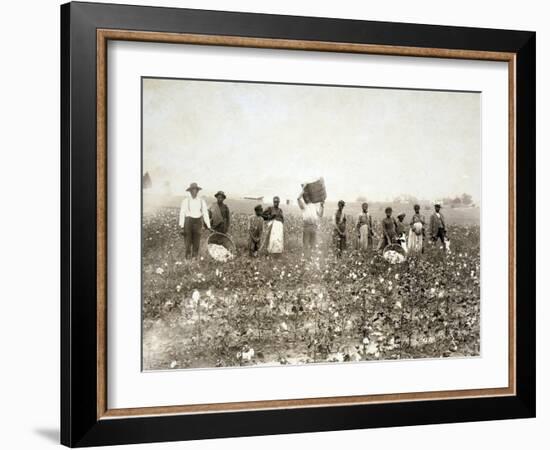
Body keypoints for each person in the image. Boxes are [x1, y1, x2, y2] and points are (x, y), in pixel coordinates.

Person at [178, 182, 211, 259]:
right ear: (190, 191)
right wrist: (182, 226)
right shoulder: (185, 201)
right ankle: (188, 258)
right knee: (187, 241)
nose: (194, 192)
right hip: (188, 222)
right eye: (192, 190)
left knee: (196, 241)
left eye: (195, 190)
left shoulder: (201, 201)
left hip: (198, 222)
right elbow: (182, 213)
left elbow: (205, 213)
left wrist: (208, 225)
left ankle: (194, 258)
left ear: (197, 191)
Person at [297, 187, 324, 258]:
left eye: (307, 196)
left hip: (314, 226)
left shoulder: (314, 206)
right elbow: (298, 198)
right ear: (304, 198)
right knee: (306, 244)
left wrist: (322, 206)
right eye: (305, 197)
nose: (307, 198)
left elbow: (320, 215)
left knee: (313, 244)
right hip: (306, 226)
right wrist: (304, 189)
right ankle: (306, 259)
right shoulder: (303, 206)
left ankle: (312, 259)